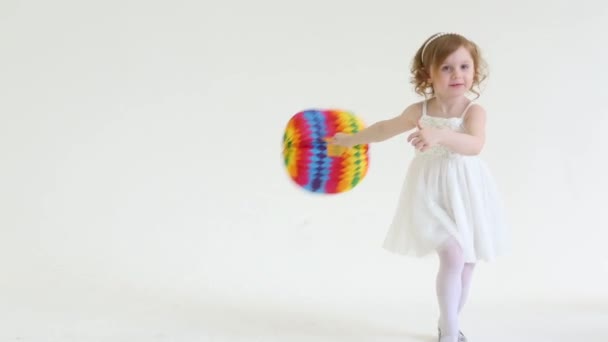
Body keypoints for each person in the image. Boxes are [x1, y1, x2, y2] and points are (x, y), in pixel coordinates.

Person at [327, 32, 508, 342]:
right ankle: (449, 333)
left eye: (465, 67)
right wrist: (349, 140)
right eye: (447, 68)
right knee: (452, 254)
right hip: (430, 192)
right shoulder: (420, 111)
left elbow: (475, 145)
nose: (457, 75)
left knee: (466, 264)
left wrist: (440, 136)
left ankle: (447, 320)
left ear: (475, 71)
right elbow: (385, 128)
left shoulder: (473, 112)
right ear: (429, 74)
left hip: (466, 192)